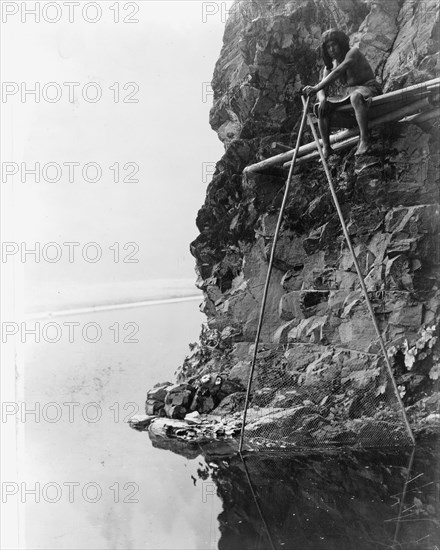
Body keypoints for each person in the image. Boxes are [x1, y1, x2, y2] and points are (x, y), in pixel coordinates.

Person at [303, 29, 382, 157]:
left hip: (369, 89)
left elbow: (339, 71)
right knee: (320, 107)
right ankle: (327, 147)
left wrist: (316, 87)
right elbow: (322, 88)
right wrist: (322, 99)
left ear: (341, 43)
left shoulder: (353, 52)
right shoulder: (329, 67)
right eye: (328, 47)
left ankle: (364, 140)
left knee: (356, 96)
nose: (331, 49)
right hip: (349, 94)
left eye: (334, 44)